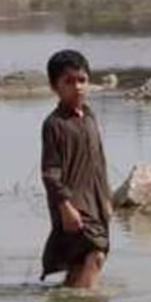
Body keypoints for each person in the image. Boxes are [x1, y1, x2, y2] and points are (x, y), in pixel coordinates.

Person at [39, 50, 111, 289]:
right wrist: (66, 207)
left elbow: (99, 161)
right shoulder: (55, 124)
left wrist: (107, 199)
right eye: (68, 81)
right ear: (54, 87)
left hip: (95, 202)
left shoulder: (89, 117)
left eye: (82, 80)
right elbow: (50, 173)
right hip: (73, 206)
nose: (77, 87)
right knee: (96, 254)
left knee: (80, 263)